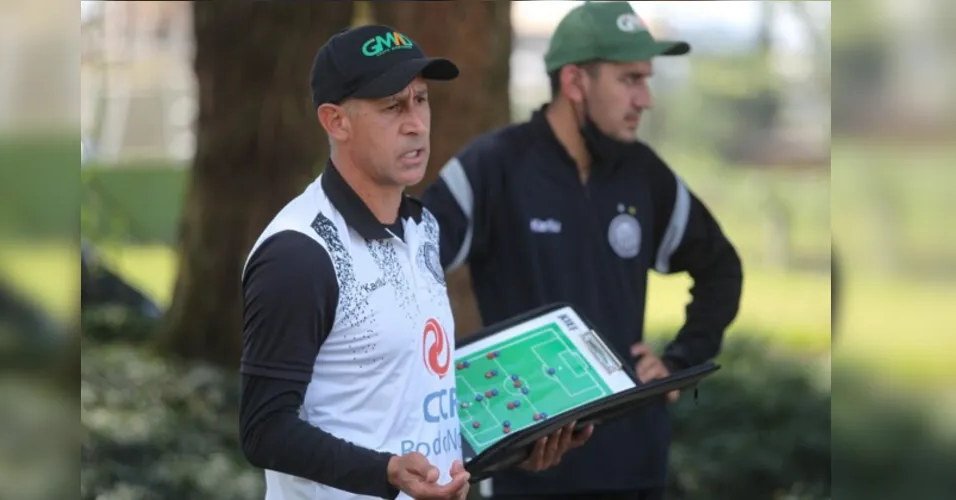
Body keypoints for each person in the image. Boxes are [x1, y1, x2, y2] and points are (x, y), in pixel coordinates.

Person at [238, 25, 581, 500]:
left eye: (421, 100)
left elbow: (412, 398)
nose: (417, 123)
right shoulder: (298, 254)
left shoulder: (423, 228)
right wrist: (387, 472)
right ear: (336, 121)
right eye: (392, 106)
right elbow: (264, 430)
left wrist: (517, 443)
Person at [420, 2, 744, 499]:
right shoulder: (494, 166)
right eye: (630, 79)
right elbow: (405, 267)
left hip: (634, 467)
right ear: (575, 83)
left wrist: (681, 361)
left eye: (647, 80)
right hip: (525, 474)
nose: (646, 99)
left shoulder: (646, 175)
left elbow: (722, 269)